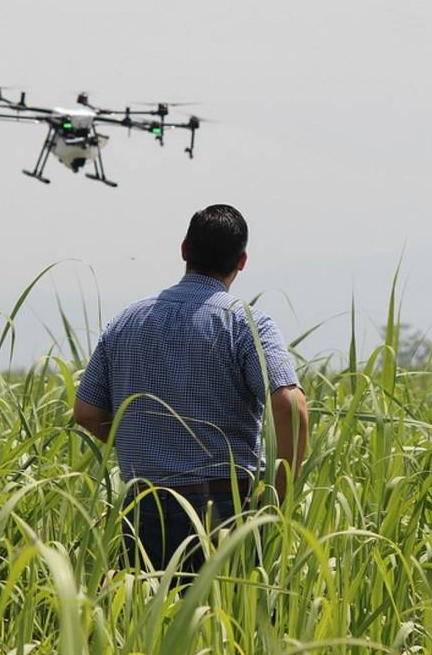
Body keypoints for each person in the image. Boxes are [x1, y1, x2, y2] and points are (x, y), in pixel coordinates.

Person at [73, 204, 308, 574]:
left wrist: (147, 441)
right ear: (242, 261)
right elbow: (290, 405)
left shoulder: (126, 321)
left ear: (184, 249)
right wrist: (276, 497)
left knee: (145, 624)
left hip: (145, 503)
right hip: (225, 507)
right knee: (226, 622)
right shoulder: (246, 323)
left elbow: (86, 412)